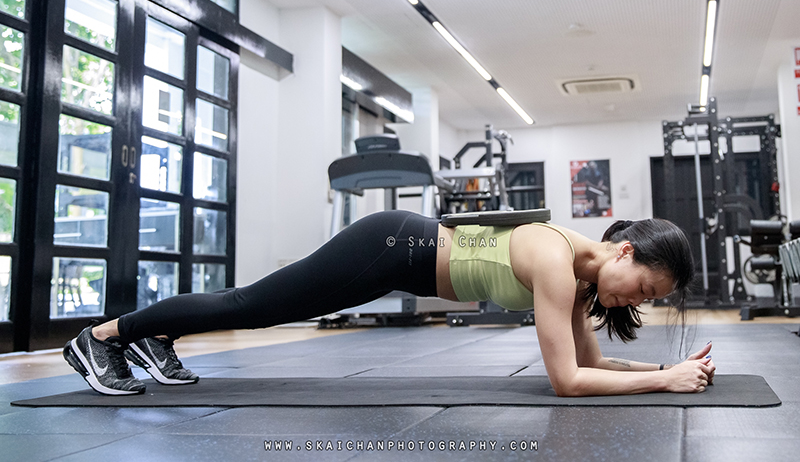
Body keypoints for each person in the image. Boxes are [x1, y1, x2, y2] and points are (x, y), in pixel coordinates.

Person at [63, 210, 715, 397]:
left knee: (257, 305)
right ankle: (104, 335)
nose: (640, 302)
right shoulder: (553, 259)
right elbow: (568, 381)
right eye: (648, 290)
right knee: (255, 304)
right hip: (393, 244)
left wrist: (670, 375)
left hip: (403, 258)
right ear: (627, 253)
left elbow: (591, 362)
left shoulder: (578, 277)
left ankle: (155, 340)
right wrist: (665, 379)